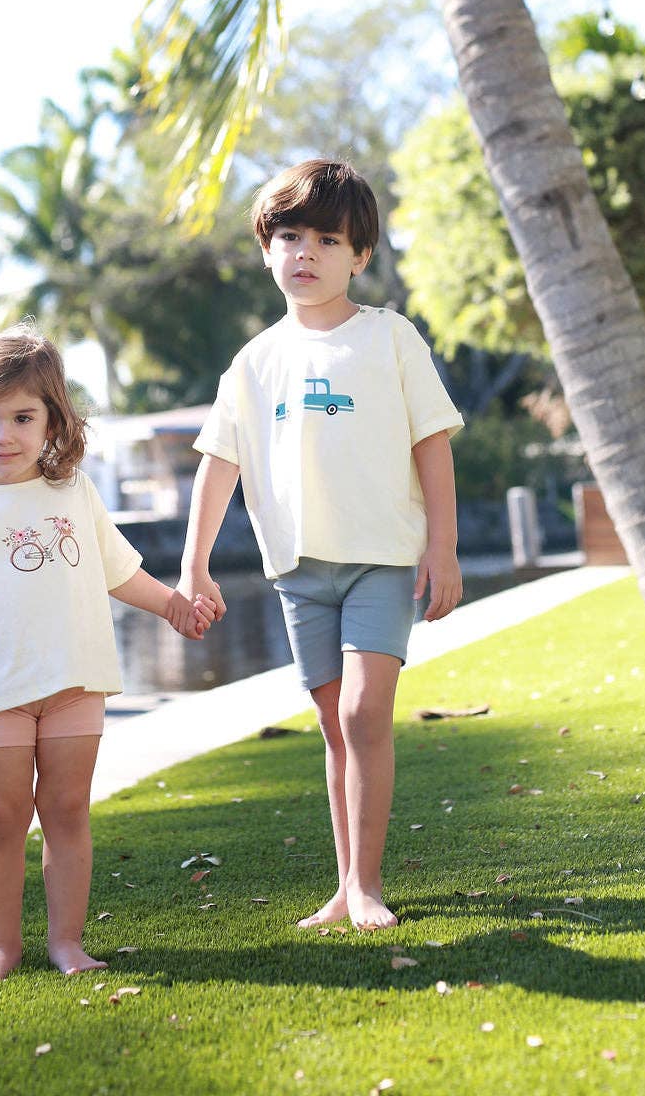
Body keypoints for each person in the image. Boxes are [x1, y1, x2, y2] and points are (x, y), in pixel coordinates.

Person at [178, 159, 463, 930]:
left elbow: (432, 443)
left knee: (369, 712)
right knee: (336, 725)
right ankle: (344, 889)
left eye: (327, 240)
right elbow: (219, 463)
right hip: (299, 570)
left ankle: (367, 886)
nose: (305, 253)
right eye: (290, 236)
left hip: (381, 558)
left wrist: (445, 547)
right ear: (268, 247)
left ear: (358, 256)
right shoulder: (255, 361)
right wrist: (194, 563)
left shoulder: (391, 338)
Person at [0, 325, 215, 981]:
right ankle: (2, 950)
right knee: (2, 816)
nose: (3, 435)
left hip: (75, 683)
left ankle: (67, 943)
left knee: (68, 810)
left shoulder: (73, 492)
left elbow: (117, 571)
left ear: (53, 422)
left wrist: (173, 606)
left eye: (22, 417)